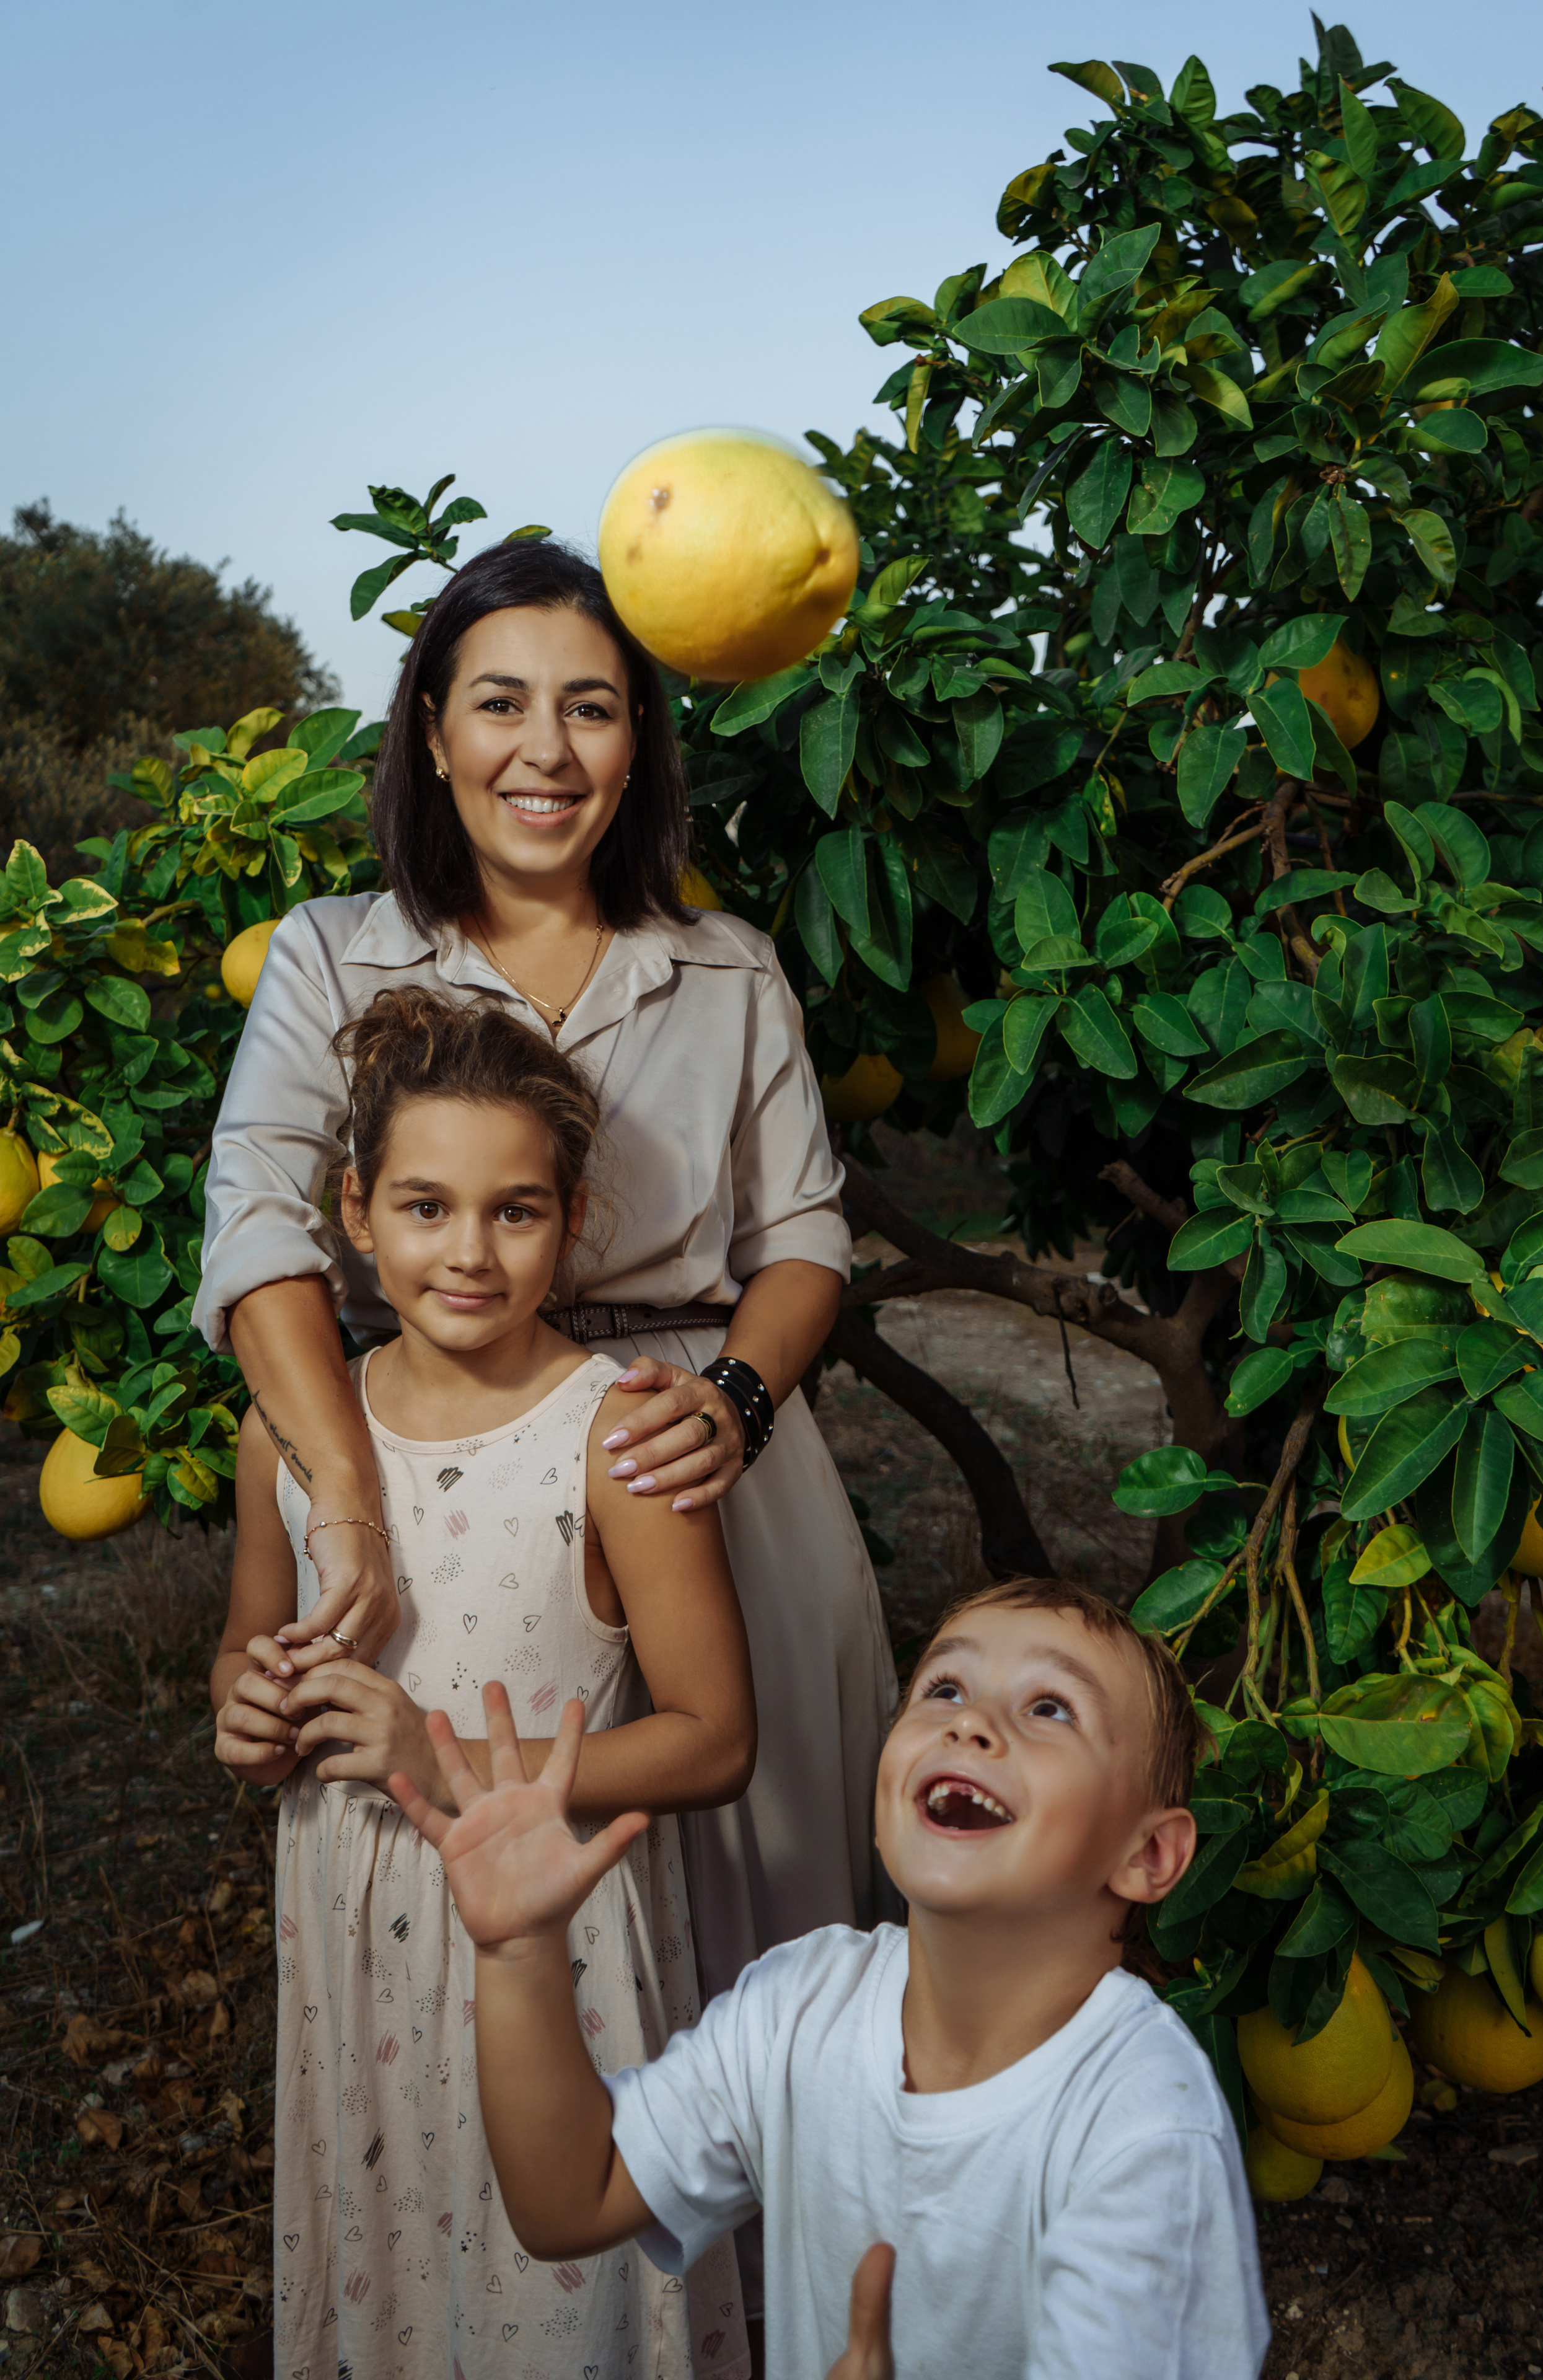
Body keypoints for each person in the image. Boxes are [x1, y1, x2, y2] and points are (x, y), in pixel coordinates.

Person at [195, 537, 895, 1998]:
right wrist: (350, 1509)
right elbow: (259, 1220)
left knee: (758, 1929)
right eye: (500, 702)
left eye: (591, 706)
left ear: (637, 747)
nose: (545, 748)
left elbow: (804, 1239)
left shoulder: (727, 969)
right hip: (442, 1470)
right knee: (485, 1925)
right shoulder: (334, 956)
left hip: (685, 1456)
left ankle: (768, 2231)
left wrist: (737, 1403)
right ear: (433, 730)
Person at [209, 987, 755, 2379]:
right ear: (353, 1207)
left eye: (514, 1211)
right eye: (424, 1206)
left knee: (546, 2299)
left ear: (571, 1221)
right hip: (349, 1922)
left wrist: (441, 1758)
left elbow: (711, 1741)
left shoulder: (616, 1437)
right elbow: (245, 1647)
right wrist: (248, 1711)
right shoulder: (287, 1437)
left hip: (550, 1933)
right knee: (390, 2265)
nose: (467, 1252)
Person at [389, 1576, 1272, 2380]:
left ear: (1150, 1855)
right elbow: (570, 2201)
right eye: (945, 1689)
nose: (970, 1723)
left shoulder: (1142, 2127)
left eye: (1050, 1708)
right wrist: (519, 1953)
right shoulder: (803, 2005)